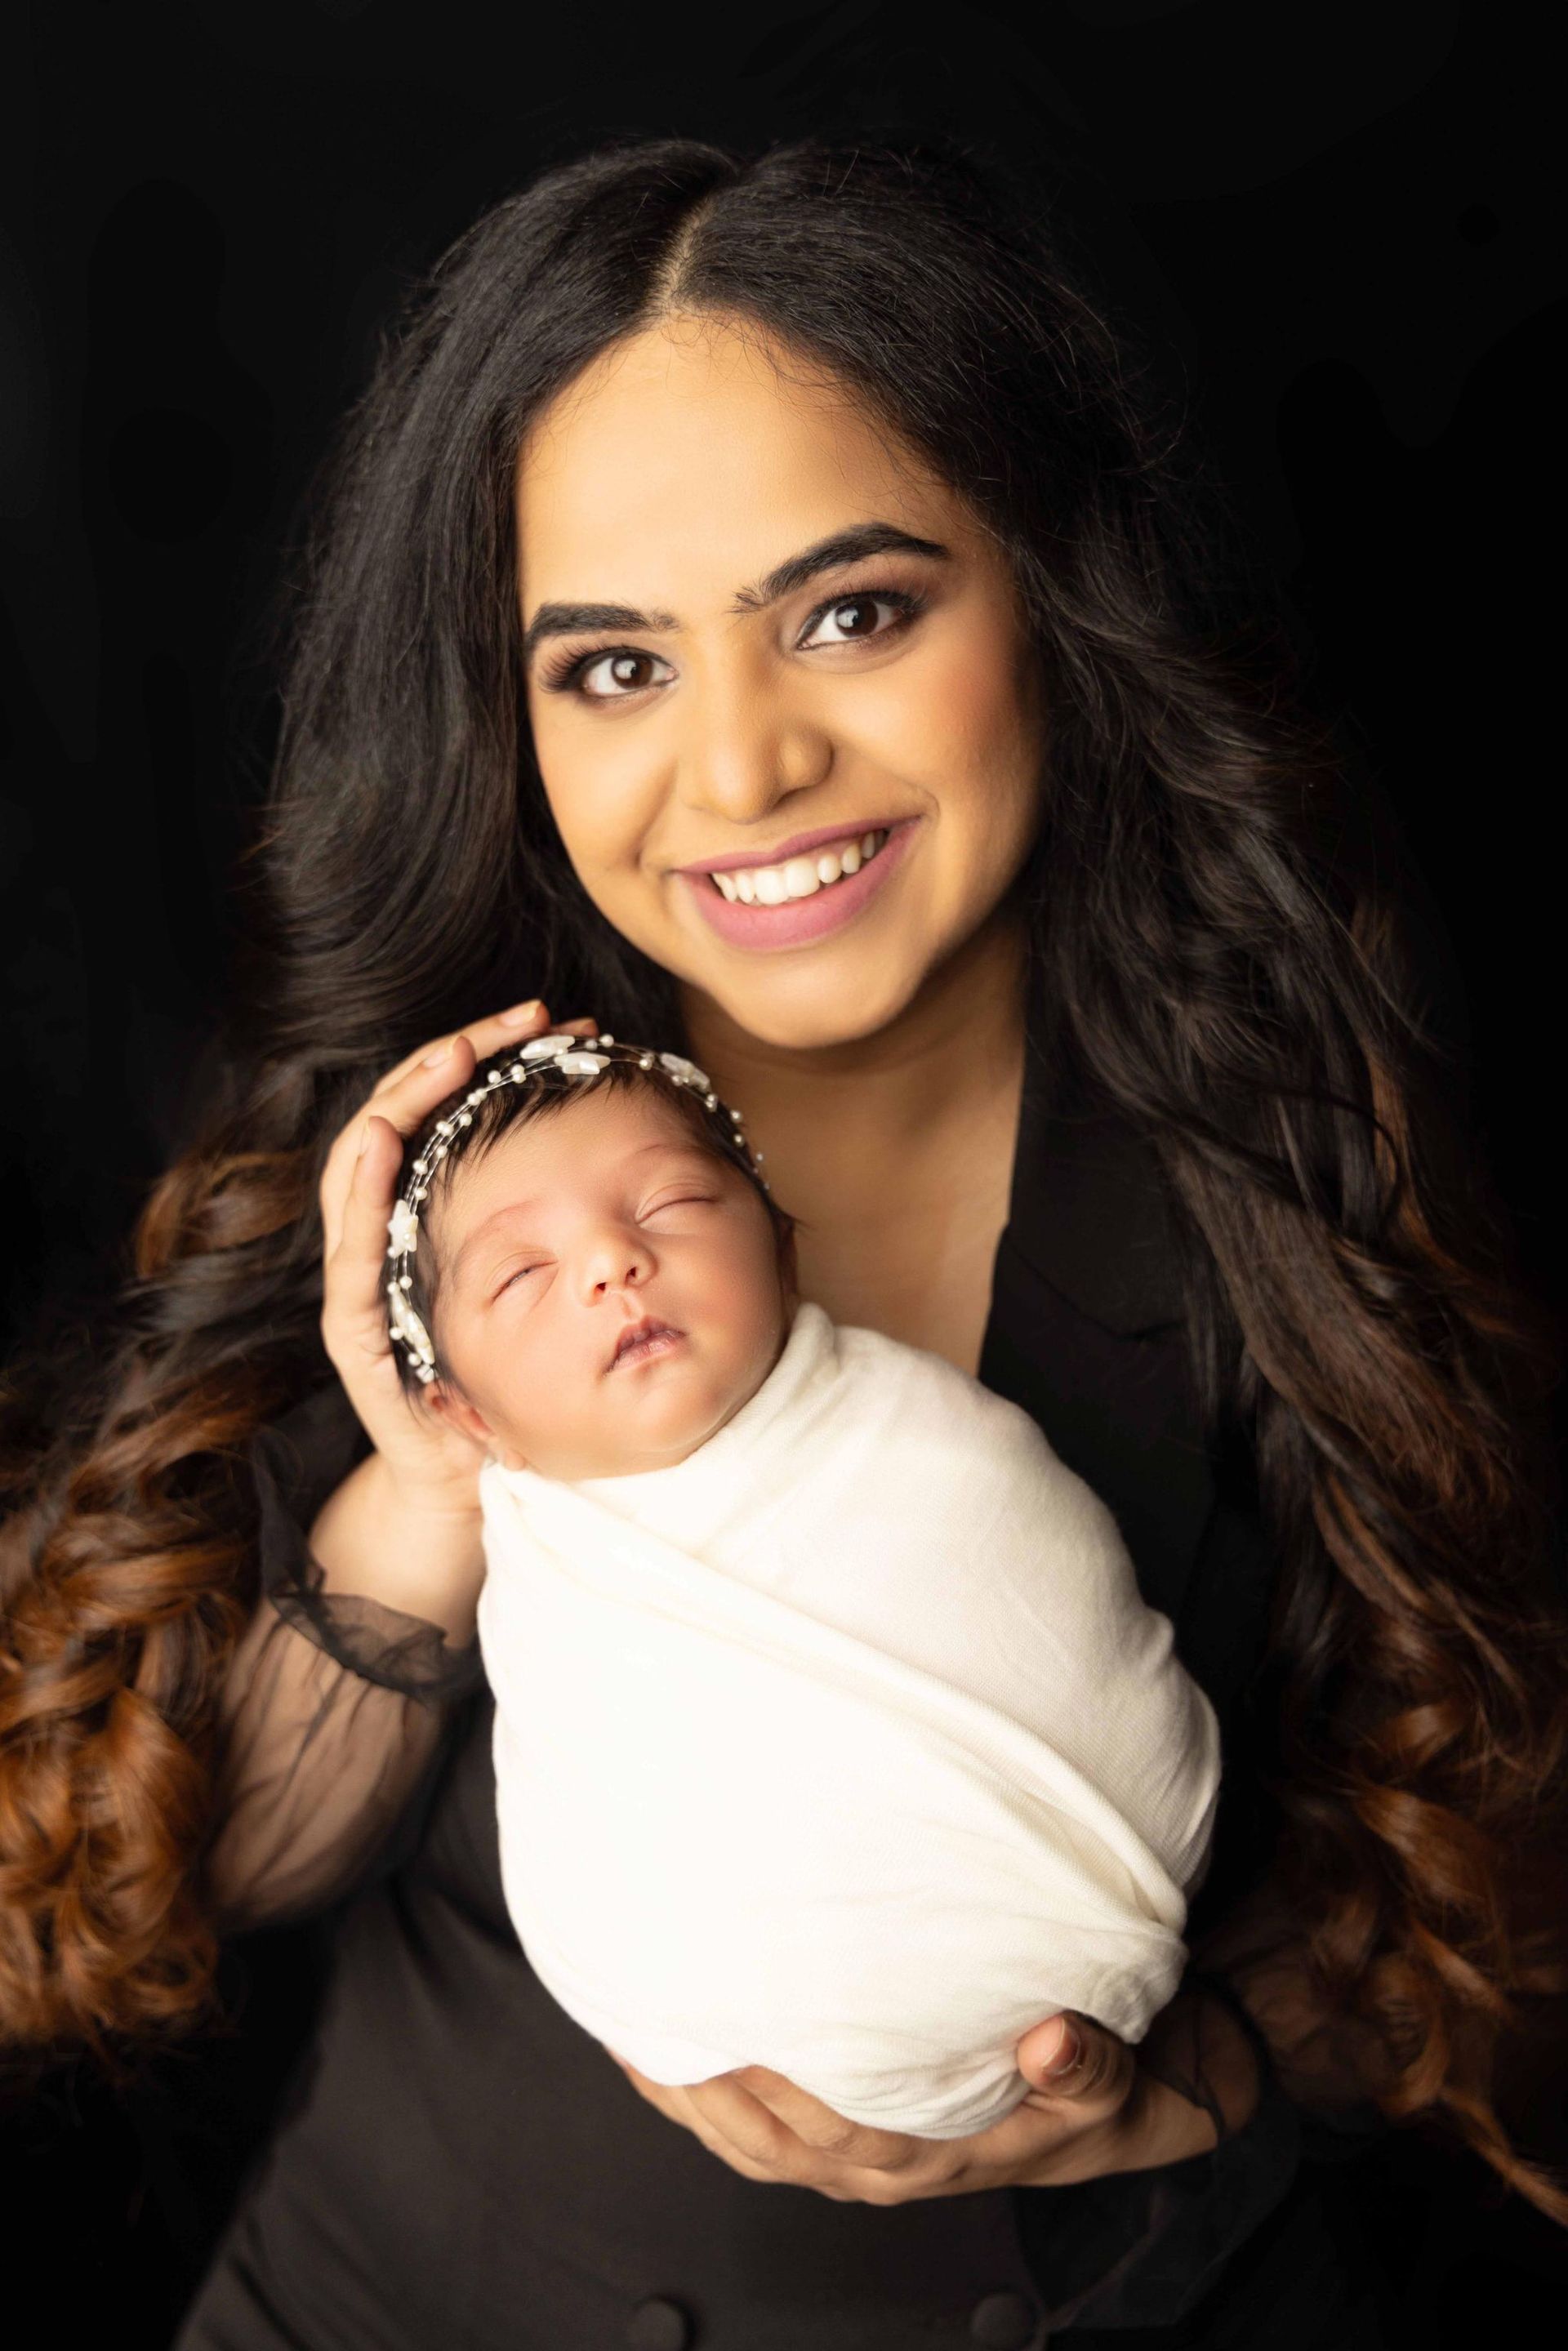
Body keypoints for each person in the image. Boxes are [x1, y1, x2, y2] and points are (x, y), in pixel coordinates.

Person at [2, 131, 1565, 2349]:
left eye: (853, 612)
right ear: (509, 718)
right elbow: (159, 1895)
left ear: (1045, 593)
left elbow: (1470, 1872)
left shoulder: (1280, 1132)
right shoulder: (446, 1183)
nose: (741, 771)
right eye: (613, 668)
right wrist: (430, 1484)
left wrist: (1194, 2076)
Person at [386, 1036, 1221, 2139]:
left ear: (784, 1252)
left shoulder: (912, 1434)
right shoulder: (561, 1575)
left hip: (1135, 1932)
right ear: (468, 1416)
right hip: (717, 2112)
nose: (611, 1261)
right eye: (520, 1274)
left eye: (673, 1200)